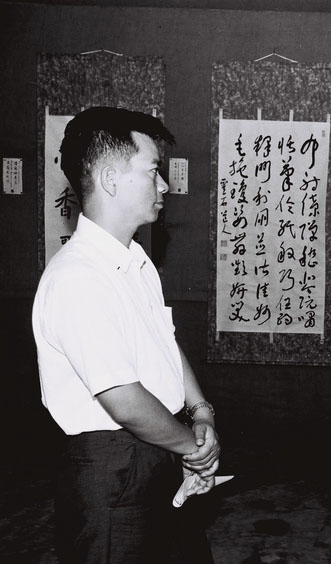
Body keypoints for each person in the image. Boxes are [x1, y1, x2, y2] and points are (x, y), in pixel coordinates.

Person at [31, 107, 221, 563]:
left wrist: (201, 412)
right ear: (110, 179)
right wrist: (192, 446)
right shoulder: (77, 276)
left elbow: (165, 343)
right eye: (153, 171)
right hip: (113, 471)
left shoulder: (135, 261)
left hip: (161, 447)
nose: (164, 185)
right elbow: (123, 400)